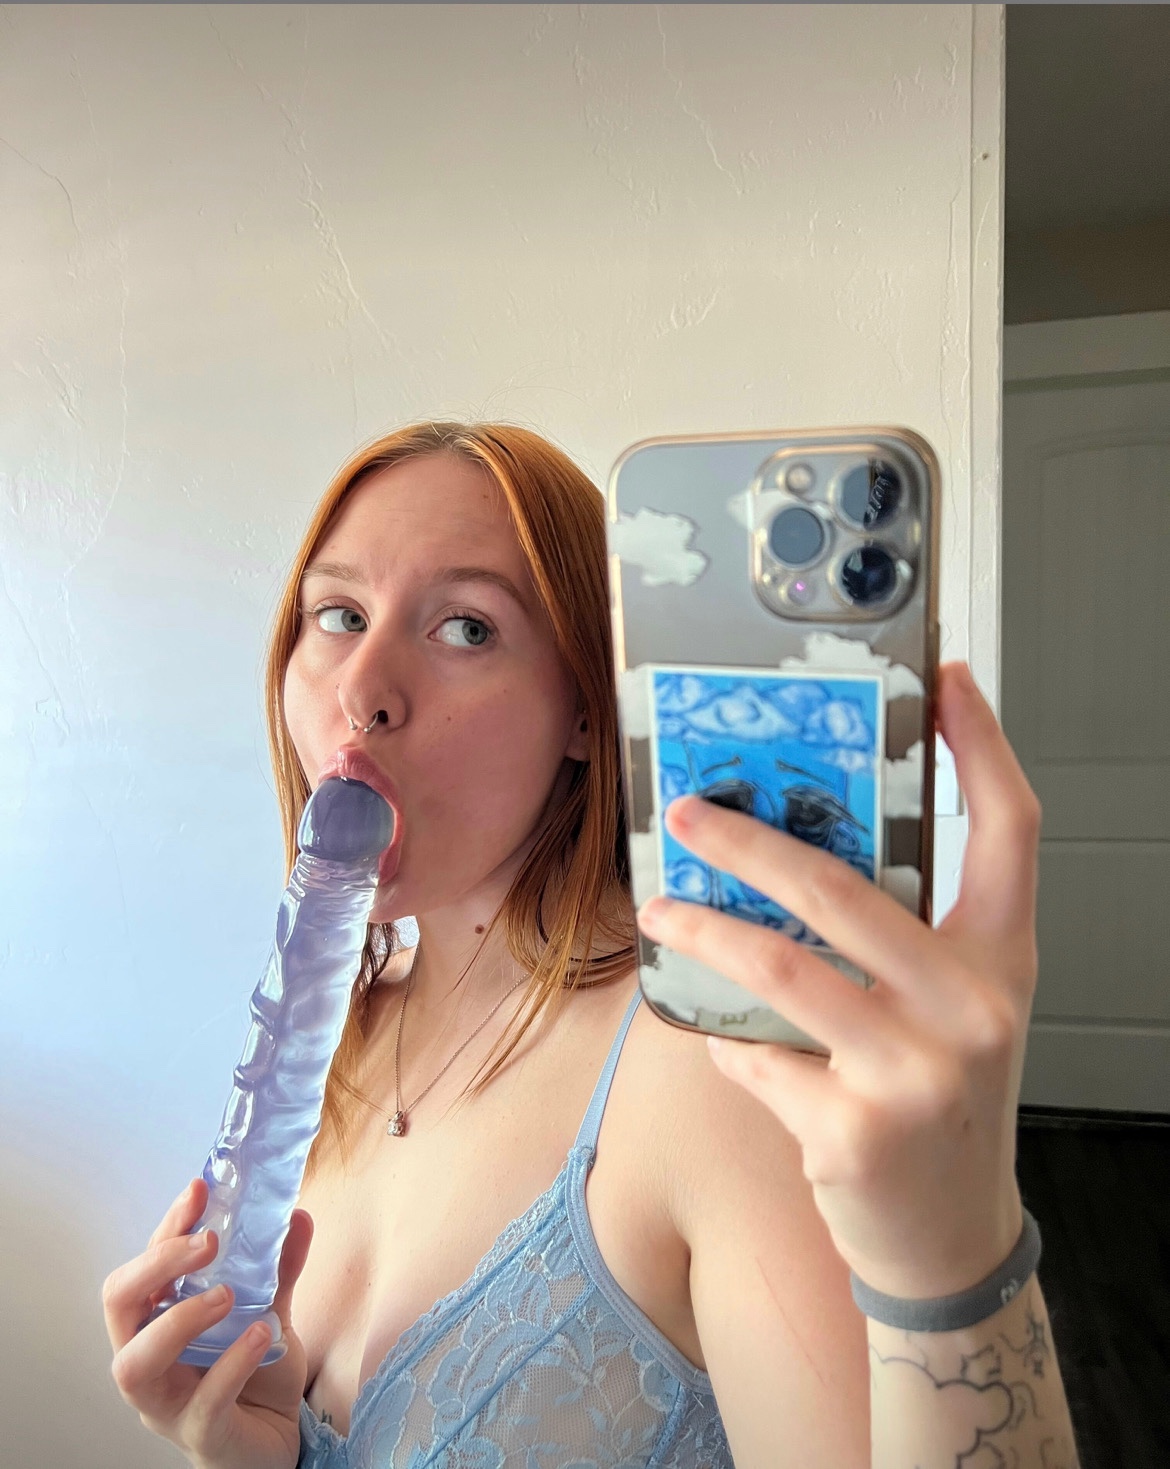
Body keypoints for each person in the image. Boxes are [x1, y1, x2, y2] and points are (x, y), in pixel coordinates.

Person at [104, 422, 1081, 1468]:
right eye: (339, 615)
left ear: (585, 708)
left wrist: (954, 1262)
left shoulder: (710, 1070)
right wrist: (264, 1450)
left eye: (466, 627)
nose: (363, 689)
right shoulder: (341, 1035)